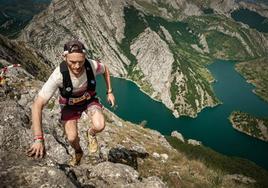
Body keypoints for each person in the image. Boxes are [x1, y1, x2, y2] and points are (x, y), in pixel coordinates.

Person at [27, 40, 115, 166]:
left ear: (85, 57)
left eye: (81, 61)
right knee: (72, 138)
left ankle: (91, 133)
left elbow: (105, 69)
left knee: (100, 125)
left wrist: (109, 91)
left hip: (89, 99)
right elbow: (37, 105)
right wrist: (38, 138)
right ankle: (78, 152)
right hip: (69, 105)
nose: (77, 66)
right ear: (64, 57)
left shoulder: (91, 65)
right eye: (72, 62)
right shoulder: (58, 75)